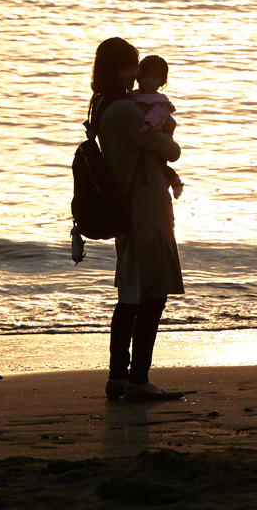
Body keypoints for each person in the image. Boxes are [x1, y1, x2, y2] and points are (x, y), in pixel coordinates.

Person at [87, 36, 187, 402]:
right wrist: (168, 133)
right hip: (145, 207)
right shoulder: (127, 111)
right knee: (152, 293)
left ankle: (118, 377)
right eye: (129, 67)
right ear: (115, 69)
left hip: (126, 206)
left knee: (130, 293)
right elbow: (169, 149)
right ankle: (139, 379)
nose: (135, 74)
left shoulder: (102, 106)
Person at [131, 54, 184, 199]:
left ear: (162, 82)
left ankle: (175, 182)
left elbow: (158, 114)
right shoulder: (132, 96)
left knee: (160, 165)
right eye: (145, 76)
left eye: (154, 78)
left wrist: (149, 124)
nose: (148, 80)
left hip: (155, 131)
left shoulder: (159, 101)